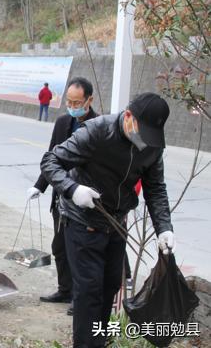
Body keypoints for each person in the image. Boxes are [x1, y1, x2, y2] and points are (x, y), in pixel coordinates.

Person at [41, 92, 176, 347]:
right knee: (89, 289)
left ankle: (97, 341)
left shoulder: (153, 146)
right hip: (82, 219)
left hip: (116, 222)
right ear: (128, 117)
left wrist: (164, 228)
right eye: (142, 132)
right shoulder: (96, 132)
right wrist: (72, 189)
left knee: (110, 284)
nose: (144, 141)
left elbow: (155, 187)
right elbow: (50, 162)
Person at [27, 77, 98, 316]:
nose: (72, 105)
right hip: (61, 197)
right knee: (59, 246)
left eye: (77, 101)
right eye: (69, 100)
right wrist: (40, 185)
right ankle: (65, 289)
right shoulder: (63, 122)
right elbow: (52, 158)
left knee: (79, 251)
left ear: (90, 99)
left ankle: (80, 298)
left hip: (83, 199)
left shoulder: (99, 125)